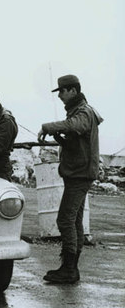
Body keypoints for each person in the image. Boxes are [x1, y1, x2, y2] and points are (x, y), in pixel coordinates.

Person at [37, 74, 103, 284]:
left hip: (80, 174)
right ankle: (70, 267)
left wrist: (48, 127)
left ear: (73, 91)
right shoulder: (81, 111)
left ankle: (69, 268)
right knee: (74, 220)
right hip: (79, 172)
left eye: (62, 92)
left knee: (65, 219)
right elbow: (76, 138)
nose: (60, 96)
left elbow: (75, 126)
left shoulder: (83, 112)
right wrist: (61, 140)